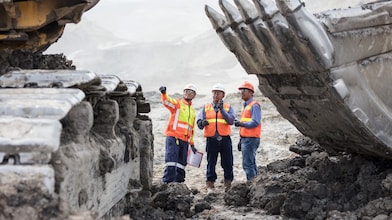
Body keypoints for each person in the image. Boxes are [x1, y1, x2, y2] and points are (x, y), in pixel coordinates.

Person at [197, 83, 235, 193]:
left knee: (227, 161)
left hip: (225, 139)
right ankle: (210, 184)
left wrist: (222, 110)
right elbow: (199, 123)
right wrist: (202, 123)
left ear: (223, 95)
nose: (216, 95)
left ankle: (228, 183)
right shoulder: (206, 107)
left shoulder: (228, 107)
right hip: (211, 139)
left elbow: (231, 121)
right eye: (214, 93)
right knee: (211, 161)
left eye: (218, 93)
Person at [159, 84, 198, 183]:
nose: (188, 93)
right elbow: (167, 101)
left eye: (191, 91)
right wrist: (164, 93)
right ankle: (167, 183)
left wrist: (192, 143)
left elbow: (192, 128)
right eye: (186, 91)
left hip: (184, 140)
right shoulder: (178, 104)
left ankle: (179, 184)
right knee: (171, 161)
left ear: (194, 95)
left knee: (181, 163)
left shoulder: (192, 111)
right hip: (174, 137)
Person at [234, 81, 262, 182]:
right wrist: (241, 140)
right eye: (241, 90)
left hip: (251, 138)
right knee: (251, 162)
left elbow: (255, 122)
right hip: (246, 138)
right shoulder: (245, 106)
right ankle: (255, 183)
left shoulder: (254, 105)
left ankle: (252, 184)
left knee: (248, 164)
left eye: (244, 90)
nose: (242, 92)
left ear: (251, 92)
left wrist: (241, 124)